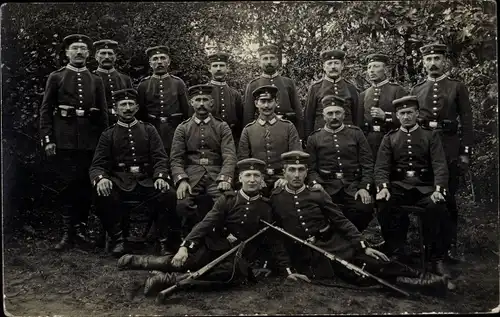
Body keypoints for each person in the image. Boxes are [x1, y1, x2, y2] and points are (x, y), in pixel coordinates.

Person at [117, 158, 308, 296]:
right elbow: (206, 224)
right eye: (247, 175)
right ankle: (135, 261)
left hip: (238, 257)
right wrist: (185, 247)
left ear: (262, 180)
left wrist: (288, 271)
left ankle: (167, 280)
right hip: (214, 246)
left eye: (256, 176)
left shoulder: (266, 207)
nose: (252, 180)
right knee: (185, 261)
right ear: (239, 178)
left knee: (228, 276)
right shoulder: (228, 200)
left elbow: (275, 240)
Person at [269, 150, 446, 289]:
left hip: (333, 245)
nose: (297, 175)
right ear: (283, 173)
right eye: (291, 170)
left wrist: (363, 245)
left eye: (301, 170)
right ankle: (416, 281)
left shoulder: (318, 194)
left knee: (373, 261)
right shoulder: (276, 198)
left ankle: (425, 280)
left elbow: (341, 221)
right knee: (359, 276)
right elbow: (276, 235)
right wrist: (287, 270)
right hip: (307, 255)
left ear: (307, 172)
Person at [89, 88, 179, 257]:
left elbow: (160, 157)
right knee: (102, 194)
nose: (128, 108)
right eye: (123, 105)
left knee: (169, 195)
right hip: (120, 181)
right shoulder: (108, 134)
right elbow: (97, 165)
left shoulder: (149, 130)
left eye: (131, 104)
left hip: (146, 180)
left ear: (137, 108)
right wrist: (101, 179)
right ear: (116, 109)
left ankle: (164, 242)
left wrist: (161, 176)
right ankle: (118, 240)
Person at [39, 34, 108, 251]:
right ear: (67, 53)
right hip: (64, 141)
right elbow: (45, 110)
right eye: (74, 49)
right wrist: (48, 139)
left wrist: (104, 143)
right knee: (67, 185)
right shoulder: (56, 77)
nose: (79, 52)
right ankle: (67, 233)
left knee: (86, 187)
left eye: (82, 49)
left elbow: (104, 113)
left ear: (88, 54)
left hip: (89, 142)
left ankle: (80, 231)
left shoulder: (96, 79)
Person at [375, 95, 451, 278]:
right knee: (385, 204)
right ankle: (397, 251)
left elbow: (440, 165)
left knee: (437, 207)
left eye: (410, 112)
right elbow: (381, 167)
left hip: (425, 188)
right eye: (402, 113)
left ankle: (436, 258)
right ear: (396, 115)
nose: (406, 116)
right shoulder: (390, 138)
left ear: (417, 113)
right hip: (399, 187)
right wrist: (383, 187)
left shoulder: (430, 135)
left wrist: (438, 190)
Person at [410, 43, 473, 263]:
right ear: (423, 62)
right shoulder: (417, 90)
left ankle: (449, 246)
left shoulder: (457, 87)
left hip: (449, 148)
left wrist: (465, 152)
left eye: (437, 58)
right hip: (426, 150)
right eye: (428, 59)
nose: (432, 63)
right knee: (428, 197)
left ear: (444, 61)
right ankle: (429, 246)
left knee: (448, 197)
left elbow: (467, 121)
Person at [171, 84, 237, 237]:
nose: (201, 104)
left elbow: (229, 155)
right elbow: (176, 158)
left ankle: (219, 238)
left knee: (228, 201)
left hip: (216, 175)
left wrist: (225, 178)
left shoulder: (222, 127)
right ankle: (192, 236)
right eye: (198, 100)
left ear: (212, 103)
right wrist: (181, 180)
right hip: (192, 176)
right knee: (182, 203)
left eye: (205, 100)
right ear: (191, 103)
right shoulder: (183, 128)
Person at [306, 96, 374, 232]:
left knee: (364, 208)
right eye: (330, 113)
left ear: (344, 114)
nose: (334, 117)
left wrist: (364, 187)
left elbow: (367, 164)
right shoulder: (314, 138)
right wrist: (316, 184)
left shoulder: (356, 133)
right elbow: (311, 169)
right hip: (326, 187)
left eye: (338, 113)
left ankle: (354, 239)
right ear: (323, 116)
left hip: (352, 186)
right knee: (316, 210)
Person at [238, 85, 302, 196]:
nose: (266, 105)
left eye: (270, 101)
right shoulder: (248, 130)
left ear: (276, 102)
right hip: (257, 180)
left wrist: (286, 178)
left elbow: (296, 155)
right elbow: (243, 160)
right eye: (263, 101)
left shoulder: (288, 127)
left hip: (283, 180)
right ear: (256, 103)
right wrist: (257, 178)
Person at [242, 44, 303, 140]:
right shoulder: (253, 85)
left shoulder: (288, 83)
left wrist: (300, 136)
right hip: (262, 132)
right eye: (265, 59)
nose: (269, 62)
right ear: (259, 62)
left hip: (287, 131)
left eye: (272, 58)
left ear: (277, 61)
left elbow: (298, 111)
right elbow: (248, 115)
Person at [137, 45, 190, 154]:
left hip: (174, 130)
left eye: (163, 58)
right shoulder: (143, 85)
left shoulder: (178, 83)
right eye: (155, 59)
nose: (159, 62)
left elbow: (187, 111)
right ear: (150, 63)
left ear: (169, 62)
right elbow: (140, 114)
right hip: (152, 131)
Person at [304, 49, 361, 139]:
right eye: (329, 63)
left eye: (336, 63)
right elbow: (308, 116)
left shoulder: (351, 88)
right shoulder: (315, 88)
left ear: (342, 66)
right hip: (321, 138)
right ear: (324, 67)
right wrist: (308, 138)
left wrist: (358, 137)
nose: (333, 67)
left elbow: (357, 116)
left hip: (348, 137)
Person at [359, 53, 408, 156]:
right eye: (369, 67)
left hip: (393, 140)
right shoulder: (364, 94)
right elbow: (359, 122)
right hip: (369, 143)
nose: (371, 70)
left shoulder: (397, 90)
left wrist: (386, 116)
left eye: (376, 66)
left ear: (385, 69)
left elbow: (408, 117)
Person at [92, 39, 133, 125]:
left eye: (110, 53)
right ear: (96, 56)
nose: (106, 57)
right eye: (103, 53)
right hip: (98, 123)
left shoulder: (125, 79)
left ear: (115, 57)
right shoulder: (91, 78)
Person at [207, 52, 244, 145]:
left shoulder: (235, 94)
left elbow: (240, 121)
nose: (218, 69)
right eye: (215, 66)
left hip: (230, 140)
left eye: (222, 66)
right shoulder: (204, 93)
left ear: (228, 69)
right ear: (209, 69)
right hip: (209, 139)